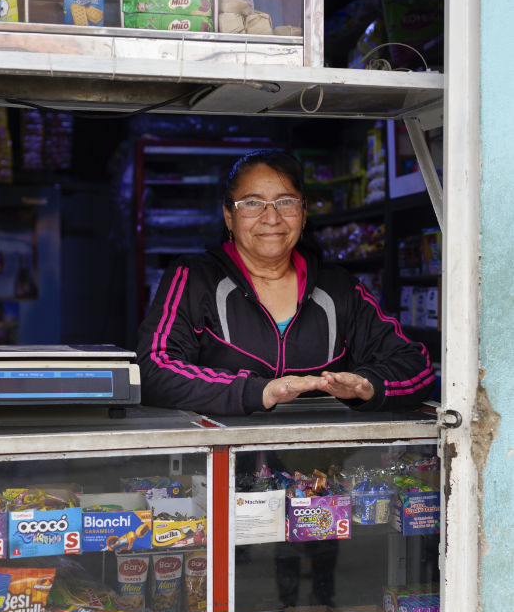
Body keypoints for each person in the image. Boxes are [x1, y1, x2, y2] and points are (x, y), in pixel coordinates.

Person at [137, 149, 434, 415]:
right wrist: (259, 392)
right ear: (229, 216)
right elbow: (153, 370)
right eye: (253, 203)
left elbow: (416, 367)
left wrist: (367, 386)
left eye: (286, 202)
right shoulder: (193, 279)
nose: (271, 217)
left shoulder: (339, 289)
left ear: (303, 215)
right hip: (216, 458)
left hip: (317, 469)